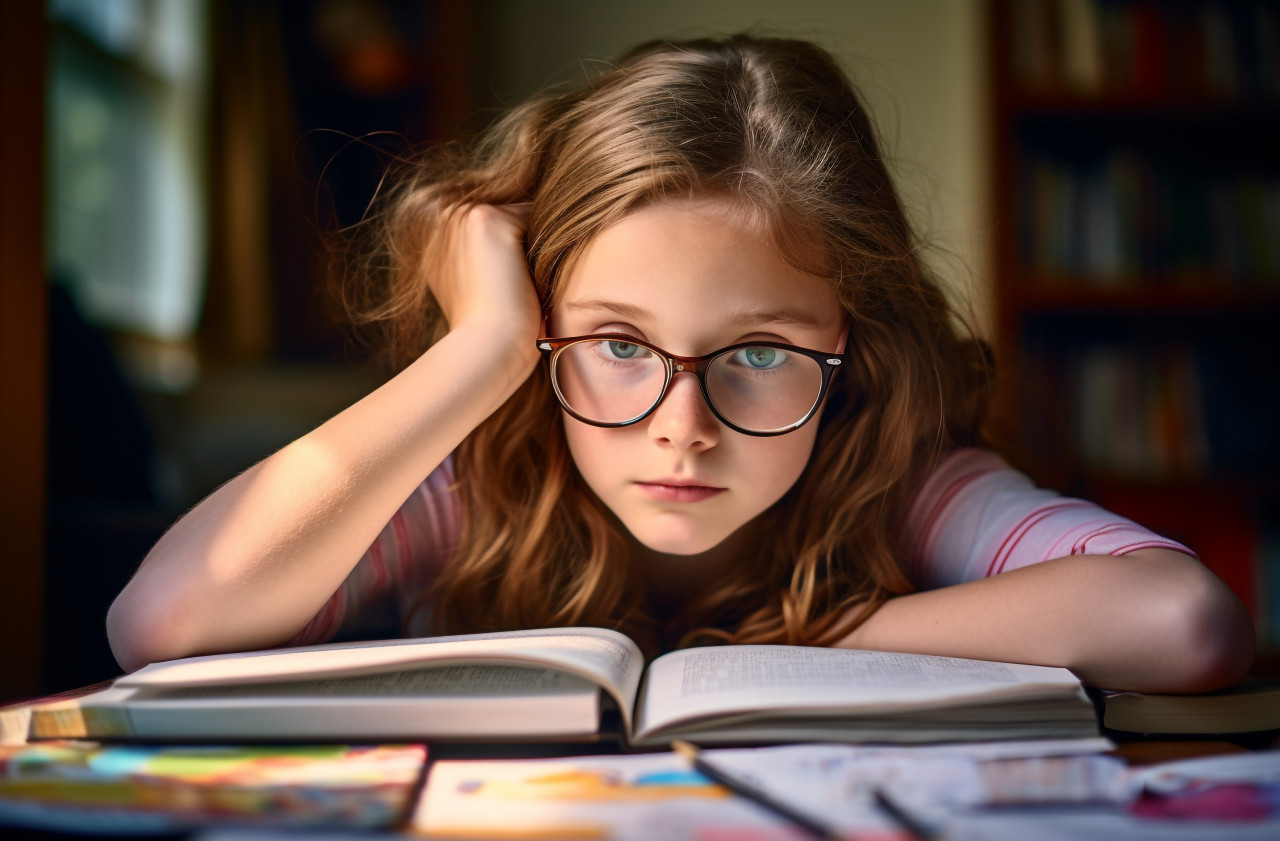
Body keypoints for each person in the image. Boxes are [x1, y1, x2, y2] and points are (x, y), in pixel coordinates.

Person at [106, 34, 1254, 692]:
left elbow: (1179, 618)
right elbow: (157, 623)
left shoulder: (892, 472)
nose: (680, 427)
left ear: (848, 343)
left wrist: (762, 652)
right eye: (615, 344)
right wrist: (482, 352)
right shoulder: (486, 477)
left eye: (757, 351)